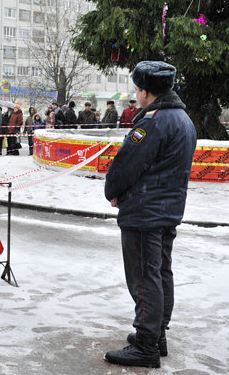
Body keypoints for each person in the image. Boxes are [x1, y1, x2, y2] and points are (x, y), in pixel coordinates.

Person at [103, 61, 197, 369]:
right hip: (167, 209)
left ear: (145, 91)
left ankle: (146, 345)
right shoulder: (183, 119)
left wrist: (113, 190)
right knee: (160, 273)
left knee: (144, 278)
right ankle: (157, 336)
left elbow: (128, 163)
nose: (136, 94)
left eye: (137, 89)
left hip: (145, 211)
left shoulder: (153, 122)